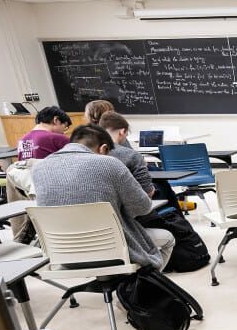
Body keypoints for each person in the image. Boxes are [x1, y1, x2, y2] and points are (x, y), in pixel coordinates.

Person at [32, 125, 174, 271]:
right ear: (103, 148)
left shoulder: (38, 168)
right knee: (168, 238)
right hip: (115, 252)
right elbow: (142, 207)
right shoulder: (109, 164)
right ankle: (143, 288)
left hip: (64, 255)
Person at [97, 111, 154, 196]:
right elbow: (148, 193)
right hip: (125, 206)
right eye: (126, 135)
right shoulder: (132, 155)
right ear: (122, 131)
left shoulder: (88, 152)